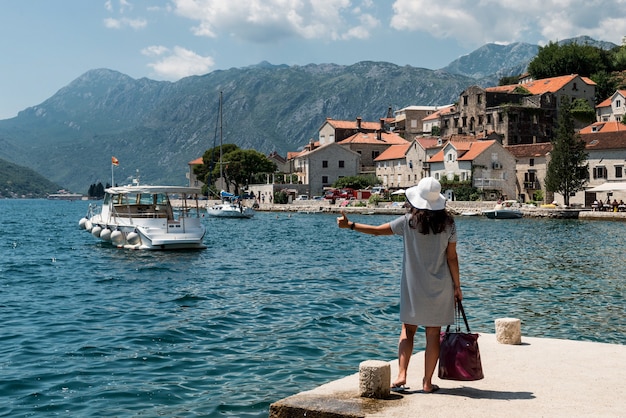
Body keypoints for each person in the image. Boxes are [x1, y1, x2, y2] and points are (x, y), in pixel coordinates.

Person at [336, 177, 462, 394]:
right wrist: (457, 287)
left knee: (407, 330)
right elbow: (452, 258)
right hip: (441, 285)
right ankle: (427, 382)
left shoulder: (407, 222)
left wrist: (351, 225)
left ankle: (402, 375)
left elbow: (376, 231)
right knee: (433, 334)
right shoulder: (449, 224)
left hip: (413, 286)